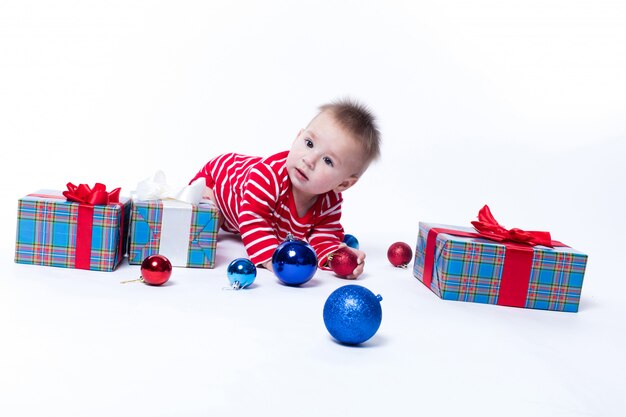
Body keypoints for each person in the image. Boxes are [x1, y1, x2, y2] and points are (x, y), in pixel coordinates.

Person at [190, 98, 381, 279]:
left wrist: (336, 260)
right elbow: (254, 219)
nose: (309, 160)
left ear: (343, 184)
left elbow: (324, 236)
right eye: (309, 143)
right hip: (217, 181)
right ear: (298, 137)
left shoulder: (330, 202)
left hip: (238, 207)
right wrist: (273, 259)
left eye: (328, 161)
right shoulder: (267, 176)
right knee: (208, 224)